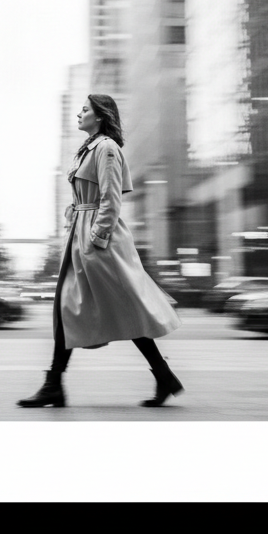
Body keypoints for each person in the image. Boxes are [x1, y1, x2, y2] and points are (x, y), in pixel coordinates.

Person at [17, 93, 185, 409]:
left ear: (100, 115)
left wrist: (96, 237)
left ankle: (55, 385)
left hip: (97, 239)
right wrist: (74, 217)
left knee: (122, 307)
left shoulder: (106, 148)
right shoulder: (89, 148)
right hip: (81, 233)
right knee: (75, 307)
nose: (79, 113)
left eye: (85, 109)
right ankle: (56, 384)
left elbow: (110, 198)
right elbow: (87, 195)